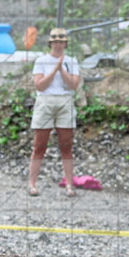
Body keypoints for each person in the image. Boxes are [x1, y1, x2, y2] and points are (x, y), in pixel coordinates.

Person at [28, 28, 80, 197]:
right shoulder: (41, 61)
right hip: (46, 101)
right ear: (50, 43)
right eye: (55, 42)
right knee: (39, 145)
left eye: (61, 42)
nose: (58, 45)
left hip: (65, 101)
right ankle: (32, 183)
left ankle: (69, 184)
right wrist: (54, 69)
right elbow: (39, 85)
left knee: (66, 146)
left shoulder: (72, 61)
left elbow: (73, 85)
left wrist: (61, 69)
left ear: (65, 44)